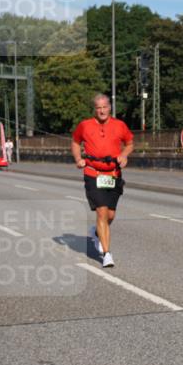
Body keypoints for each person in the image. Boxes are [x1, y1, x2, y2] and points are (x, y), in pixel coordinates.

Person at [71, 94, 133, 267]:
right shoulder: (85, 125)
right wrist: (78, 159)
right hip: (93, 173)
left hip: (113, 174)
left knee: (110, 215)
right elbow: (75, 142)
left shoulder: (120, 125)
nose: (102, 110)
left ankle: (97, 232)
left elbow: (129, 143)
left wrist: (124, 155)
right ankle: (106, 254)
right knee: (102, 212)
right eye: (98, 107)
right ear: (94, 109)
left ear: (110, 107)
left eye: (105, 107)